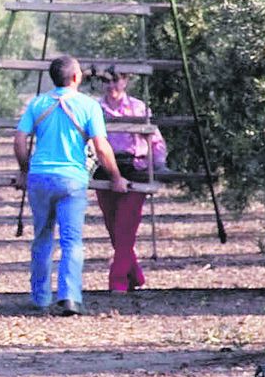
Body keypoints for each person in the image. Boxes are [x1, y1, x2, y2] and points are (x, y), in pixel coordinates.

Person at [13, 54, 129, 316]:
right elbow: (101, 147)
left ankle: (41, 297)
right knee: (71, 241)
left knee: (42, 238)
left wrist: (24, 170)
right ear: (76, 78)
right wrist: (116, 177)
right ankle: (70, 297)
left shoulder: (38, 103)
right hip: (72, 180)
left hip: (40, 178)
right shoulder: (88, 106)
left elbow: (20, 140)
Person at [97, 67, 168, 292]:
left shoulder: (138, 107)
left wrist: (158, 165)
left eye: (116, 81)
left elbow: (155, 141)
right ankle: (135, 275)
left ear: (125, 81)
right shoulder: (96, 109)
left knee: (126, 226)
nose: (112, 86)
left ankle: (117, 282)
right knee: (113, 226)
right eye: (107, 82)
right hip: (107, 168)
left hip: (136, 168)